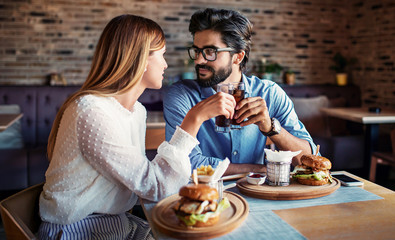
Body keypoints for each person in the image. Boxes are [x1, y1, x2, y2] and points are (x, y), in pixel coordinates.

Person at [38, 14, 236, 240]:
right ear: (140, 59)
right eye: (161, 55)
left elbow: (144, 180)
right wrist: (193, 119)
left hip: (116, 224)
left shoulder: (136, 111)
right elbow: (156, 186)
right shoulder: (91, 111)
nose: (166, 64)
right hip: (77, 230)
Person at [163, 8, 318, 175]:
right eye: (197, 51)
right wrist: (257, 170)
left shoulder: (270, 93)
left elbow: (311, 160)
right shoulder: (181, 96)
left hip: (261, 196)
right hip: (204, 196)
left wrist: (270, 128)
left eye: (210, 52)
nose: (199, 60)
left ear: (238, 57)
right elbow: (184, 164)